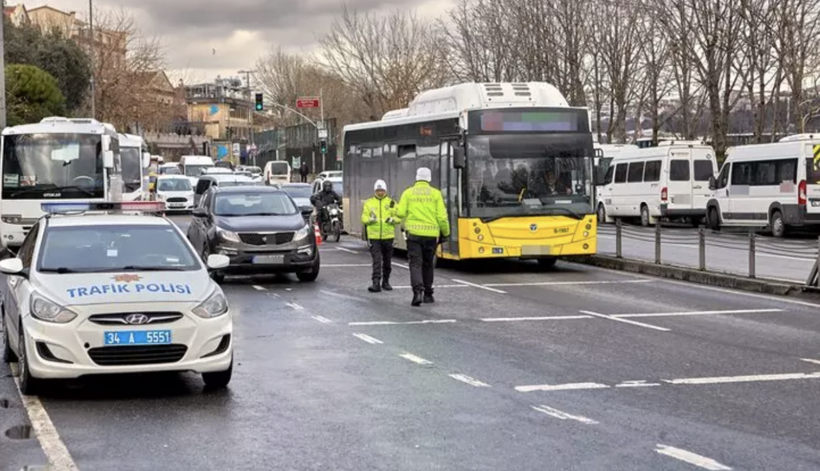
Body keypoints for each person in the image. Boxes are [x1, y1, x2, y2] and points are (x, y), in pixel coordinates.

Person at [396, 167, 450, 307]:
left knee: (415, 264)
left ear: (417, 177)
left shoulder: (408, 193)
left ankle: (417, 292)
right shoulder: (436, 194)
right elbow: (442, 217)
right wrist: (446, 233)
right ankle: (428, 294)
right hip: (431, 236)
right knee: (428, 264)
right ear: (429, 179)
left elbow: (400, 213)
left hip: (414, 235)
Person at [361, 179, 401, 292]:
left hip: (388, 237)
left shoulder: (392, 203)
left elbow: (399, 217)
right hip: (374, 237)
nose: (380, 192)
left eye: (382, 190)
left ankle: (386, 282)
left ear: (385, 191)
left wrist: (392, 220)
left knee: (387, 261)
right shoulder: (369, 203)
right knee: (377, 261)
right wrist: (370, 220)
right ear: (375, 191)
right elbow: (363, 218)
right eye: (378, 190)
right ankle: (376, 283)